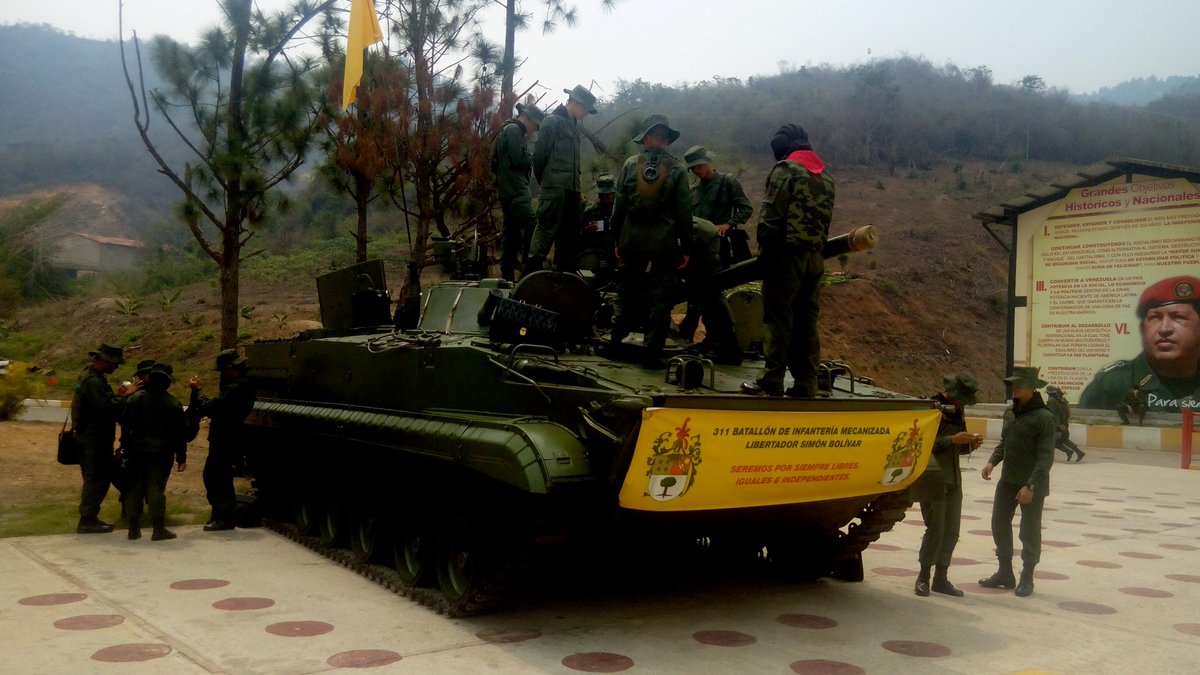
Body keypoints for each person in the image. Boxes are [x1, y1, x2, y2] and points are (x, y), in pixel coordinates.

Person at [741, 124, 835, 397]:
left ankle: (772, 379)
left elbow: (771, 217)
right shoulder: (825, 175)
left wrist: (765, 257)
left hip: (786, 258)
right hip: (815, 259)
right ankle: (806, 382)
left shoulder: (786, 171)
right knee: (807, 320)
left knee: (778, 318)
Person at [608, 114, 694, 369]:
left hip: (631, 240)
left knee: (626, 290)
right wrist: (686, 247)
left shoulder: (630, 164)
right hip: (664, 244)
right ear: (666, 140)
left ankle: (615, 341)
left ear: (645, 139)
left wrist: (615, 240)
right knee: (661, 297)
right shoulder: (677, 169)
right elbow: (683, 212)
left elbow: (619, 206)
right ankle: (652, 351)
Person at [979, 366, 1057, 597]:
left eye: (1018, 385)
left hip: (1032, 485)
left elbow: (1046, 458)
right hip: (1008, 481)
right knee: (999, 523)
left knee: (1029, 530)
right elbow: (1005, 442)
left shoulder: (1044, 418)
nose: (1014, 388)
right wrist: (992, 462)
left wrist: (1031, 485)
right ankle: (1005, 572)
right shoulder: (1010, 413)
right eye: (1012, 385)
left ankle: (1027, 576)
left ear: (1031, 388)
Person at [1079, 275, 1200, 414]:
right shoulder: (1113, 384)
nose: (1164, 328)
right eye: (1155, 317)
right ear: (1143, 329)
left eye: (1177, 317)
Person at [915, 373, 983, 597]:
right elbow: (920, 444)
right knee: (936, 528)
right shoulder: (931, 409)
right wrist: (951, 440)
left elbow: (958, 449)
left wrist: (970, 444)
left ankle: (941, 578)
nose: (963, 403)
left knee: (952, 530)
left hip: (953, 478)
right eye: (962, 398)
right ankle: (923, 576)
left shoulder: (957, 411)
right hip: (933, 477)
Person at [528, 84, 597, 272]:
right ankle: (531, 274)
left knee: (569, 236)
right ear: (575, 103)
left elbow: (574, 163)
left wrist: (577, 189)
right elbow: (539, 157)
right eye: (585, 109)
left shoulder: (574, 126)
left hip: (572, 190)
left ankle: (562, 278)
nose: (586, 114)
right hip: (554, 188)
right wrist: (549, 183)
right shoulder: (552, 121)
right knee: (546, 230)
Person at [71, 344, 136, 534]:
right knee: (96, 479)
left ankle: (89, 517)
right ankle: (87, 520)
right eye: (113, 363)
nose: (115, 367)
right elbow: (109, 407)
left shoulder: (90, 376)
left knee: (95, 478)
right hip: (94, 440)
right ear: (103, 361)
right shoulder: (93, 382)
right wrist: (127, 395)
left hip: (90, 437)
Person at [189, 349, 256, 531]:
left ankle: (225, 517)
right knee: (214, 476)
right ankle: (220, 514)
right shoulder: (240, 385)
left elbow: (209, 407)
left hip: (227, 438)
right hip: (227, 437)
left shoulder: (236, 389)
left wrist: (197, 391)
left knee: (218, 478)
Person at [121, 364, 189, 541]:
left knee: (134, 488)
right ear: (167, 383)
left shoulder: (135, 399)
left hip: (136, 451)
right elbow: (179, 435)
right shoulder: (172, 403)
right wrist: (181, 457)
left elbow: (125, 426)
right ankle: (158, 529)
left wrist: (125, 448)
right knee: (156, 490)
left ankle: (133, 529)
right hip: (160, 453)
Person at [491, 101, 544, 281]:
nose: (533, 130)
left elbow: (494, 162)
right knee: (532, 224)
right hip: (515, 191)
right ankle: (529, 271)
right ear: (527, 119)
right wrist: (531, 158)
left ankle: (507, 276)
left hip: (508, 190)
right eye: (534, 126)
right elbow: (518, 158)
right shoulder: (514, 131)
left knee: (511, 233)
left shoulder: (506, 130)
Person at [681, 216, 742, 365]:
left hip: (701, 239)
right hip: (700, 234)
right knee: (704, 294)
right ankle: (718, 343)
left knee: (709, 293)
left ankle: (727, 347)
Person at [683, 145, 753, 268]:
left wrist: (729, 224)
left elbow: (746, 208)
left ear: (707, 162)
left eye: (699, 165)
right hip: (699, 246)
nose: (696, 170)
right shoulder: (693, 190)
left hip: (720, 243)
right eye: (692, 168)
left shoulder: (727, 182)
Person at [577, 172, 617, 284]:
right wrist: (588, 230)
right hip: (594, 253)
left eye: (608, 194)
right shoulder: (591, 211)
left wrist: (601, 226)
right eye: (602, 195)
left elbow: (619, 227)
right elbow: (580, 235)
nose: (605, 197)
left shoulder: (618, 209)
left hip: (613, 252)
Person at [1045, 385, 1085, 462]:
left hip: (1057, 424)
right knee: (1063, 440)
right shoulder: (1063, 401)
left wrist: (1056, 425)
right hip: (1064, 424)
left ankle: (1069, 452)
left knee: (1053, 441)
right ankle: (1077, 452)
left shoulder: (1051, 401)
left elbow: (1051, 414)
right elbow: (1068, 414)